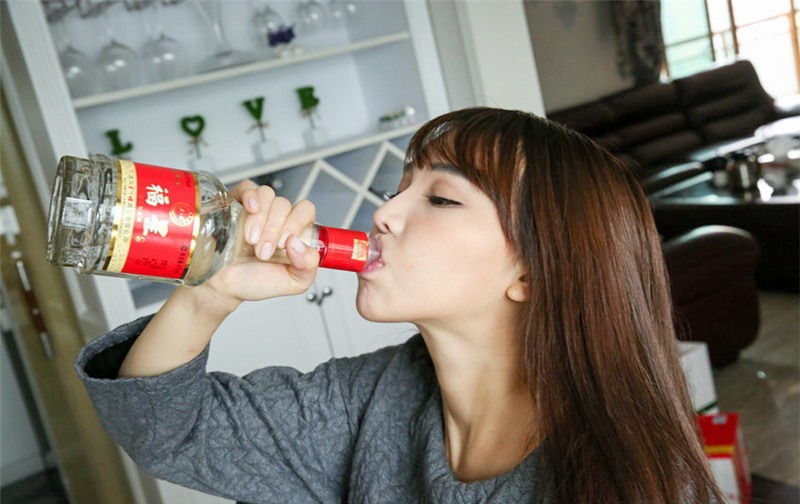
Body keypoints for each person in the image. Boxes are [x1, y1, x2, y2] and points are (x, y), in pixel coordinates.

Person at [74, 107, 726, 504]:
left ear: (532, 270)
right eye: (397, 189)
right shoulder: (371, 399)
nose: (383, 214)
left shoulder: (621, 479)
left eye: (440, 199)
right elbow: (171, 435)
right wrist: (210, 291)